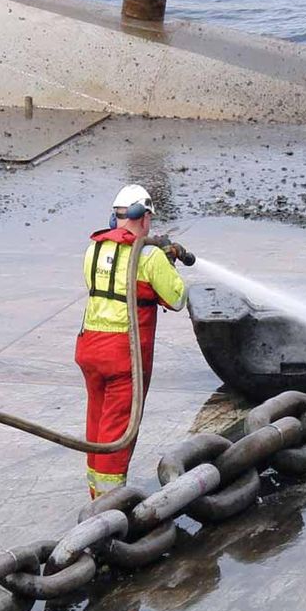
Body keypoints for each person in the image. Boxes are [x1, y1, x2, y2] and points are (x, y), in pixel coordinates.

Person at [76, 184, 188, 499]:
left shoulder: (93, 249)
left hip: (89, 350)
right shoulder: (149, 256)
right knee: (117, 430)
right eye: (149, 217)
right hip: (123, 356)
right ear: (142, 215)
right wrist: (168, 264)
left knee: (97, 422)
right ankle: (110, 505)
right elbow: (177, 297)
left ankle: (95, 493)